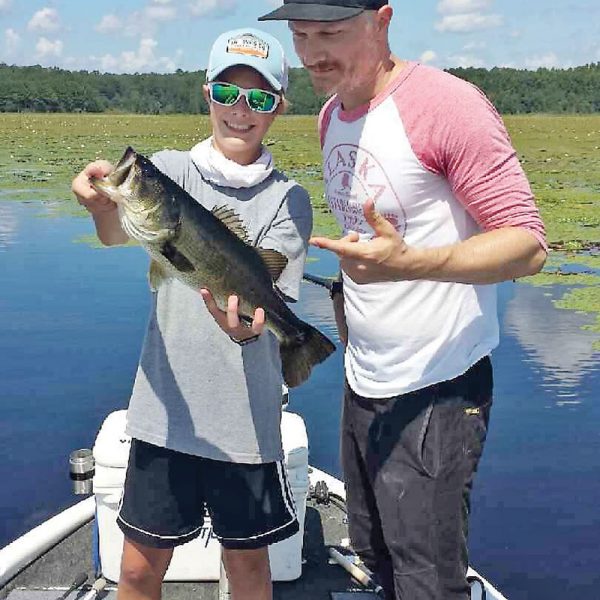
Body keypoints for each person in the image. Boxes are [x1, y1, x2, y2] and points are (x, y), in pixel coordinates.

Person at [259, 2, 547, 599]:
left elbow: (526, 244)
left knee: (428, 577)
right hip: (365, 382)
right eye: (300, 34)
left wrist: (412, 264)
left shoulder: (447, 107)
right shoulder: (333, 113)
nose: (311, 53)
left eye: (330, 33)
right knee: (375, 553)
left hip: (437, 391)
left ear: (382, 21)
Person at [72, 28, 312, 600]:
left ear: (278, 108)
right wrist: (99, 205)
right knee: (136, 570)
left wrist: (252, 334)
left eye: (258, 99)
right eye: (228, 93)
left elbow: (270, 293)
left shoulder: (289, 199)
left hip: (246, 427)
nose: (240, 110)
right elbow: (115, 233)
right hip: (165, 415)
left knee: (250, 569)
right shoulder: (170, 172)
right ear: (207, 94)